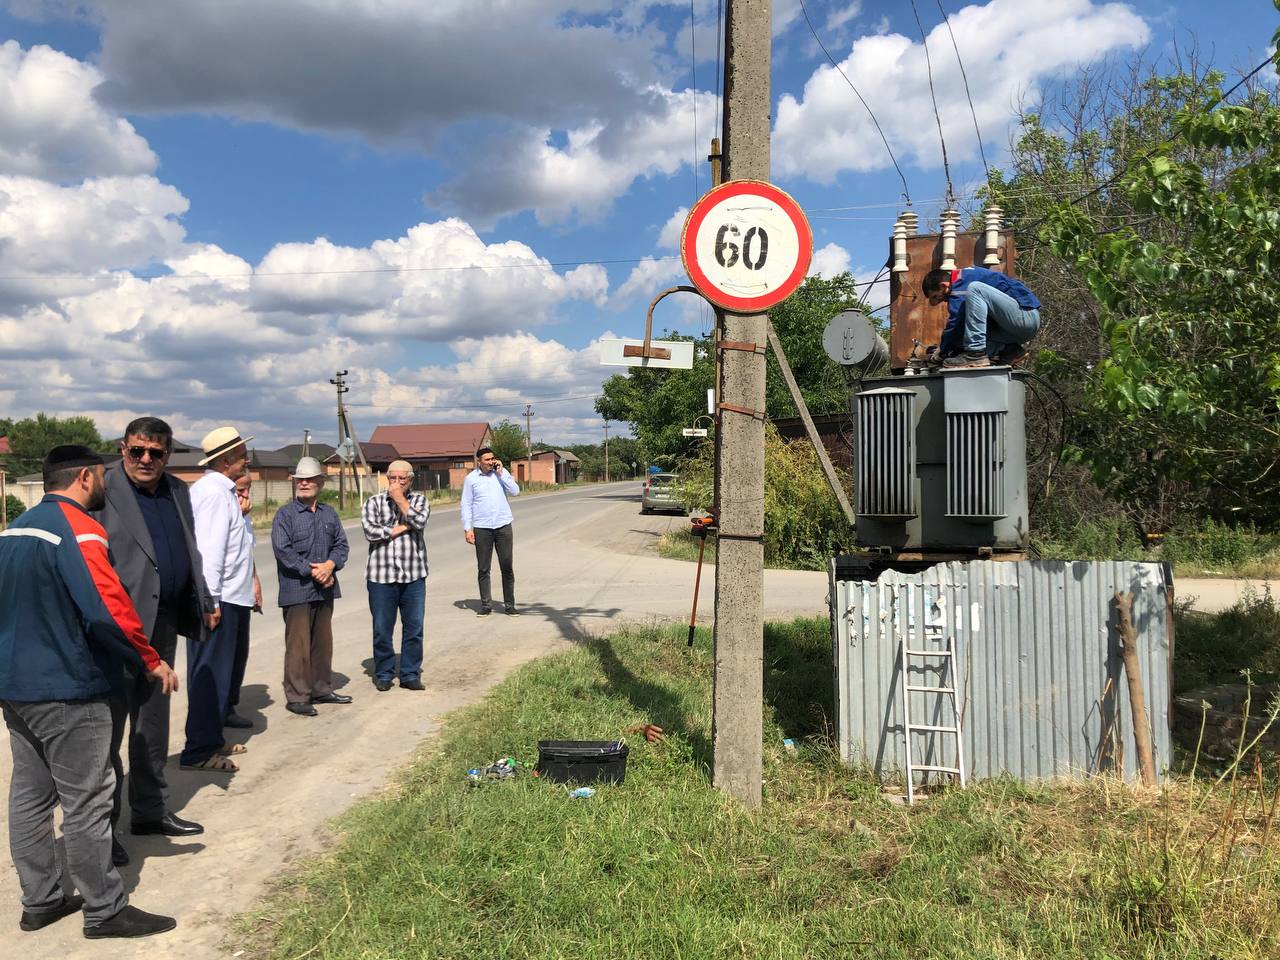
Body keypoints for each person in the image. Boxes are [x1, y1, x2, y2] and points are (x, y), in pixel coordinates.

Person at [1, 445, 179, 938]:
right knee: (88, 798)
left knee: (32, 795)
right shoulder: (79, 528)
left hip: (17, 687)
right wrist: (150, 659)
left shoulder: (15, 529)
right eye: (102, 475)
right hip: (69, 687)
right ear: (84, 476)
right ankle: (105, 908)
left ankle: (41, 900)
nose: (105, 483)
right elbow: (108, 606)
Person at [92, 417, 213, 867]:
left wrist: (203, 596)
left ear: (168, 454)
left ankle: (149, 811)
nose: (145, 460)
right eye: (137, 451)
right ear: (123, 448)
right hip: (118, 629)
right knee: (109, 730)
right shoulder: (101, 488)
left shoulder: (178, 490)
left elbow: (189, 547)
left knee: (153, 724)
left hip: (162, 624)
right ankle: (102, 830)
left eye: (155, 453)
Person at [180, 426, 255, 773]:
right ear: (227, 460)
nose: (247, 458)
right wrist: (209, 602)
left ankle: (211, 738)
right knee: (209, 674)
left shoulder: (223, 491)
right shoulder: (212, 492)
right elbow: (209, 553)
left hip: (232, 597)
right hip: (219, 599)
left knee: (223, 675)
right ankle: (198, 750)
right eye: (242, 453)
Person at [271, 457, 351, 716]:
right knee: (298, 646)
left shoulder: (329, 513)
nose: (303, 483)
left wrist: (330, 566)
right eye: (299, 479)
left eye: (309, 479)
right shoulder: (285, 515)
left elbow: (342, 545)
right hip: (297, 589)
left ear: (320, 482)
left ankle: (321, 689)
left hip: (325, 587)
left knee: (322, 643)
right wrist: (314, 570)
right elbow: (283, 551)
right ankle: (297, 697)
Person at [362, 460, 429, 691]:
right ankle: (384, 673)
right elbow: (370, 532)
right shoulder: (373, 502)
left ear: (410, 480)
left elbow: (419, 521)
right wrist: (400, 527)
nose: (397, 483)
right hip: (381, 576)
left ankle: (410, 674)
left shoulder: (420, 500)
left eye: (402, 479)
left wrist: (400, 500)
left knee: (414, 628)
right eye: (393, 479)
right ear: (386, 478)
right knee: (382, 628)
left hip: (413, 575)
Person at [923, 266, 1042, 368]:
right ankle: (1010, 351)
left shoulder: (961, 281)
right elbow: (960, 329)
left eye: (935, 297)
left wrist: (942, 349)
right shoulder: (961, 281)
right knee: (964, 339)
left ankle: (976, 354)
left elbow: (955, 322)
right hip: (1011, 330)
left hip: (1025, 316)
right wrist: (949, 350)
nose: (938, 302)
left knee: (975, 288)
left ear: (943, 286)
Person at [460, 446, 520, 616]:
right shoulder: (471, 479)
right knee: (483, 568)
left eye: (492, 458)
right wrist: (467, 528)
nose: (491, 462)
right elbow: (466, 504)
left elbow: (515, 491)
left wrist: (502, 473)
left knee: (507, 566)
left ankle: (510, 605)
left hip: (503, 525)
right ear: (479, 462)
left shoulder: (501, 474)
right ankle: (486, 605)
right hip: (482, 528)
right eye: (487, 459)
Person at [225, 472, 263, 727]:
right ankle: (219, 710)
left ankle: (230, 705)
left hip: (242, 592)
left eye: (248, 490)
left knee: (240, 654)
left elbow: (245, 553)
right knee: (225, 657)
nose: (246, 496)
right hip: (224, 596)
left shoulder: (244, 516)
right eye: (240, 490)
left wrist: (255, 581)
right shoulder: (225, 512)